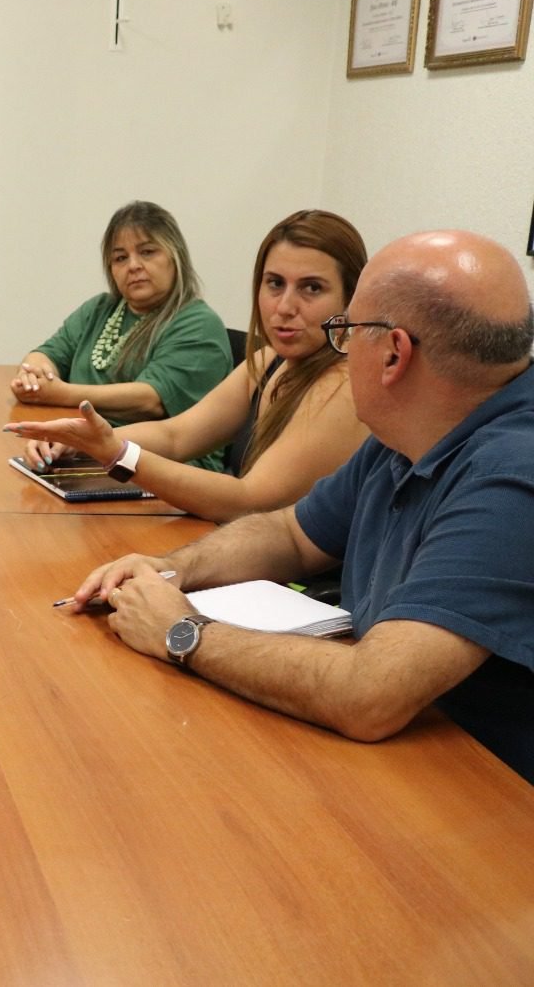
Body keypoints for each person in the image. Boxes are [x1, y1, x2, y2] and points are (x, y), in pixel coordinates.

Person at [67, 230, 534, 782]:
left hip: (480, 792)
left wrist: (184, 632)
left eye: (345, 332)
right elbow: (292, 534)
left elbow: (370, 696)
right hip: (400, 754)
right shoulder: (410, 429)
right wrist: (173, 569)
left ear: (393, 354)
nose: (339, 350)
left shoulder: (511, 475)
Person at [5, 210, 370, 522]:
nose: (285, 306)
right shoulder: (268, 360)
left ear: (351, 298)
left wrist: (117, 453)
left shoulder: (344, 383)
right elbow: (176, 436)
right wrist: (88, 439)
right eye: (274, 283)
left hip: (294, 585)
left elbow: (249, 502)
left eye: (311, 288)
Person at [12, 201, 232, 466]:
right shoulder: (100, 309)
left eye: (148, 252)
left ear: (176, 258)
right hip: (88, 451)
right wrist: (34, 375)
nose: (134, 266)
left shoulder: (198, 323)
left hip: (166, 468)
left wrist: (58, 393)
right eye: (120, 258)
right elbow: (48, 353)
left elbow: (150, 399)